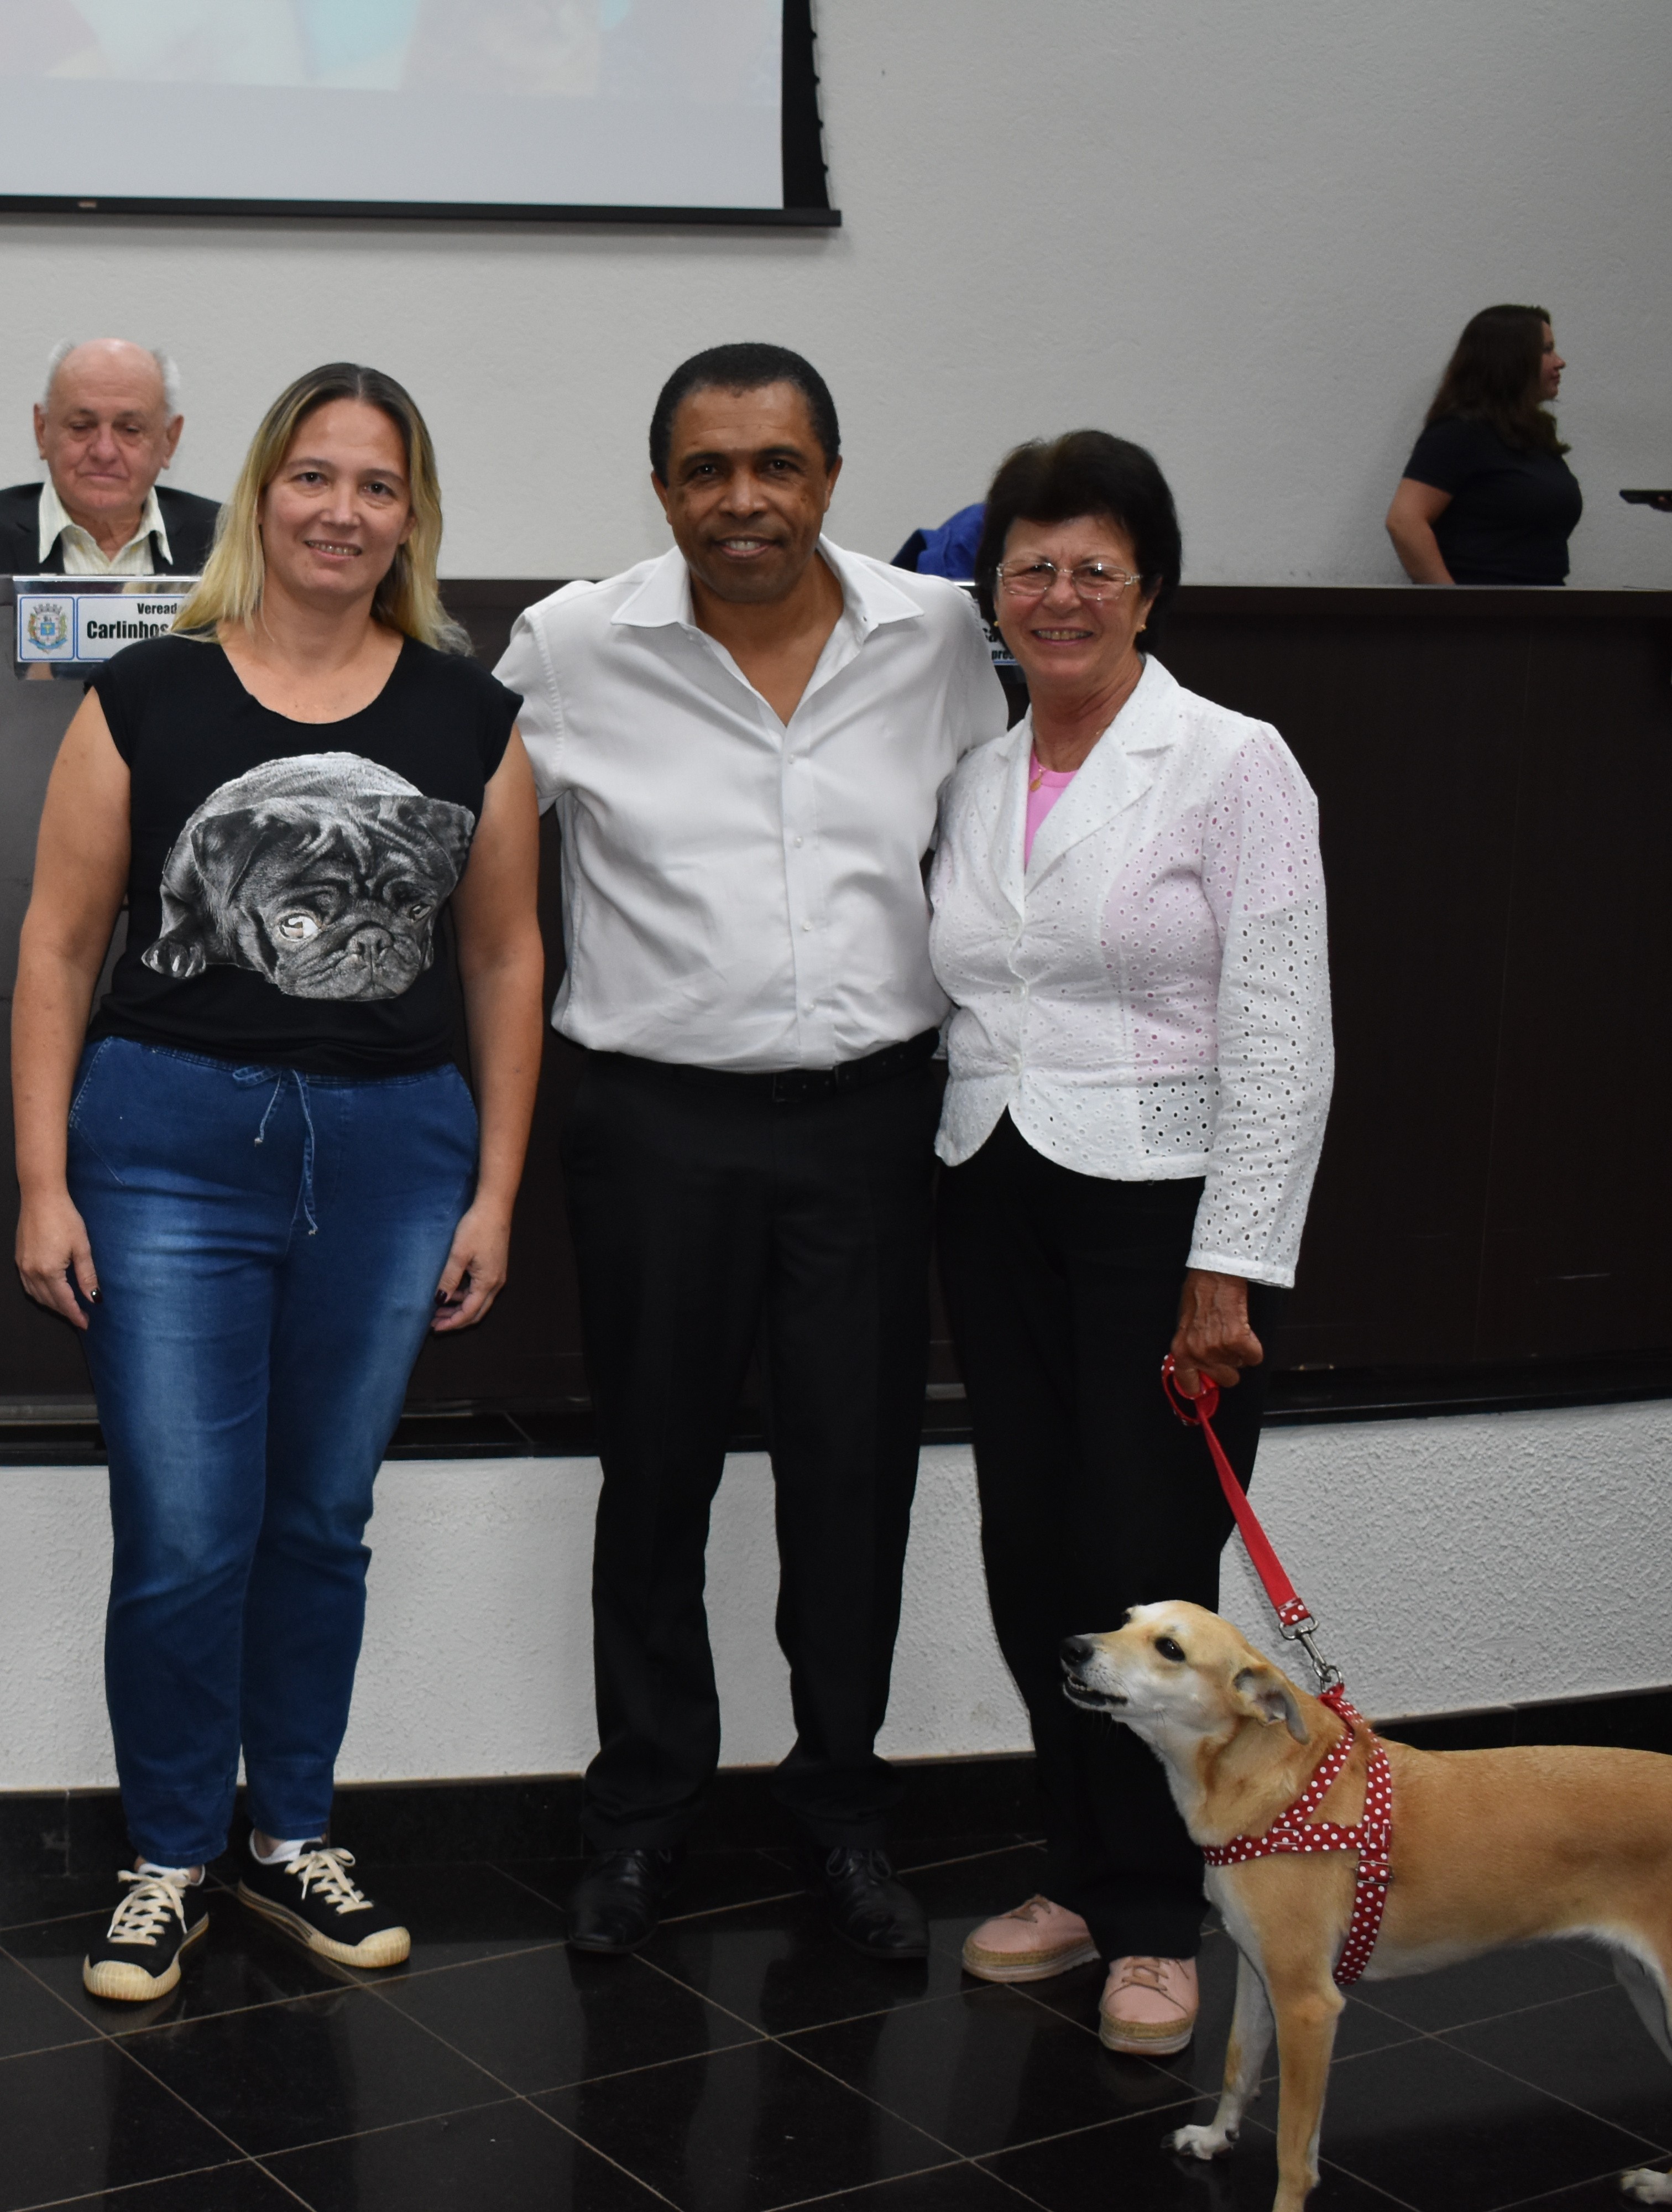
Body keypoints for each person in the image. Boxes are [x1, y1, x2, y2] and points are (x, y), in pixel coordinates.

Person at [11, 362, 545, 2003]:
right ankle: (168, 1850)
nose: (339, 510)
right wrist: (39, 1179)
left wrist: (495, 1193)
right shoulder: (149, 699)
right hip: (164, 1145)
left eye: (374, 485)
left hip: (394, 1159)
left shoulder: (470, 719)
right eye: (311, 476)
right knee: (182, 1531)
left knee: (319, 1521)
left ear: (408, 518)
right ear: (258, 494)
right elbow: (52, 943)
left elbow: (508, 955)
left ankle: (289, 1832)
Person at [495, 342, 1007, 1960]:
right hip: (652, 1128)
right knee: (651, 1482)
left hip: (867, 1123)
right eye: (705, 469)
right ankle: (638, 1818)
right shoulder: (572, 648)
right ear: (660, 489)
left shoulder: (932, 638)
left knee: (848, 1490)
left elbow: (1002, 834)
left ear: (828, 478)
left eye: (773, 465)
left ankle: (841, 1814)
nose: (741, 499)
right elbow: (488, 889)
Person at [931, 430, 1333, 2056]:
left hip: (1162, 1219)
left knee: (1145, 1568)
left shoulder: (1232, 762)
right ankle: (1081, 1875)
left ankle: (1166, 1918)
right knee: (1031, 1553)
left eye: (1093, 565)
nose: (1059, 593)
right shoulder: (972, 771)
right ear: (993, 592)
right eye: (1029, 565)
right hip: (995, 1192)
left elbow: (1282, 1031)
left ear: (1147, 587)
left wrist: (1226, 1261)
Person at [0, 338, 221, 575]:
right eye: (81, 427)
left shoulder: (229, 540)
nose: (104, 451)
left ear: (170, 440)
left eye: (130, 429)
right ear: (42, 430)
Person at [1386, 305, 1581, 586]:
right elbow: (1404, 522)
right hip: (1486, 619)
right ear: (1511, 360)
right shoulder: (1459, 432)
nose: (1560, 362)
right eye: (1547, 350)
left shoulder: (1535, 437)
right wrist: (1458, 610)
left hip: (1544, 613)